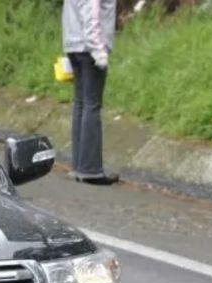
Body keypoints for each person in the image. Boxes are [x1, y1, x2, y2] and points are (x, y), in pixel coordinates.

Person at [62, 0, 120, 185]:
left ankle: (79, 166)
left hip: (73, 44)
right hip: (90, 49)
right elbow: (92, 14)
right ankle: (90, 169)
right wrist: (99, 51)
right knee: (91, 105)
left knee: (81, 104)